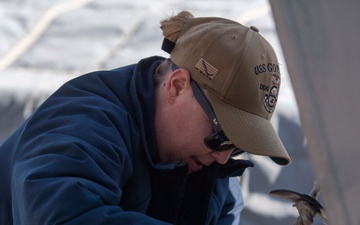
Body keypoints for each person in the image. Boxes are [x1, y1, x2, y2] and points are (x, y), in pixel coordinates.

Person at [0, 11, 291, 225]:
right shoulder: (83, 123)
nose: (224, 157)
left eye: (238, 144)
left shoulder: (215, 180)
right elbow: (59, 216)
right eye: (222, 134)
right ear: (177, 86)